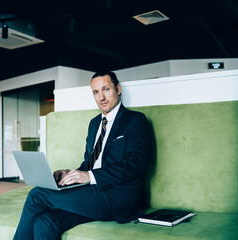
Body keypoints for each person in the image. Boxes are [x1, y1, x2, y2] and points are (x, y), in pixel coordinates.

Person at [13, 71, 151, 240]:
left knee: (37, 195)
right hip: (93, 194)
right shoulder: (94, 124)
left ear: (118, 89)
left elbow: (135, 165)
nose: (101, 97)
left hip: (118, 196)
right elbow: (89, 164)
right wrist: (70, 175)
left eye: (106, 89)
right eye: (96, 92)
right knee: (45, 220)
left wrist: (88, 176)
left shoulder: (135, 120)